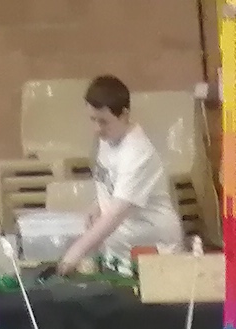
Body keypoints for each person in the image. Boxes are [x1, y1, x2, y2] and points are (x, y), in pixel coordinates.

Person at [53, 75, 188, 275]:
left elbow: (116, 214)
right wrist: (97, 204)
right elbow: (111, 180)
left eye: (103, 121)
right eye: (92, 120)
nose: (97, 129)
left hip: (151, 249)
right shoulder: (108, 137)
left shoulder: (137, 153)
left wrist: (75, 252)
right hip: (120, 246)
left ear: (124, 115)